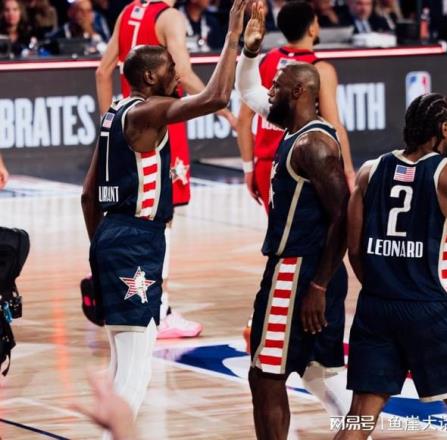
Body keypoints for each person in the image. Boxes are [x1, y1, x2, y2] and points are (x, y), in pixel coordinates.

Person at [81, 1, 246, 437]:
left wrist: (100, 251)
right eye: (171, 67)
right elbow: (216, 97)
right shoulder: (147, 112)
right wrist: (232, 37)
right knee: (136, 372)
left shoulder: (114, 113)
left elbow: (87, 195)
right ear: (151, 78)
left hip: (111, 237)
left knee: (122, 364)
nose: (178, 73)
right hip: (135, 241)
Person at [336, 93, 447, 439]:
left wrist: (386, 287)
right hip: (431, 310)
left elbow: (354, 248)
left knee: (361, 414)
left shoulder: (370, 171)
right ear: (444, 129)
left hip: (376, 307)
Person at [236, 3, 350, 438]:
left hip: (299, 272)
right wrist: (249, 51)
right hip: (300, 269)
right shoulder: (290, 127)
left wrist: (318, 286)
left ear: (300, 91)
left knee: (265, 375)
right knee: (319, 373)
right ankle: (359, 429)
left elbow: (341, 217)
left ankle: (359, 427)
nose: (271, 90)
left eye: (279, 85)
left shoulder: (314, 146)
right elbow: (248, 91)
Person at [95, 0, 237, 339]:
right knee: (161, 216)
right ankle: (159, 307)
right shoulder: (169, 16)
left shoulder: (128, 10)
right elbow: (183, 74)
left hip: (127, 118)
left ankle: (136, 297)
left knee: (130, 211)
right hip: (160, 120)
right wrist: (222, 110)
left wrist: (108, 125)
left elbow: (101, 72)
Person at [237, 0, 355, 212]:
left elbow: (243, 120)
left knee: (278, 228)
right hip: (306, 163)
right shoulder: (320, 69)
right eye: (316, 22)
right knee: (311, 228)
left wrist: (248, 168)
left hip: (266, 164)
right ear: (311, 28)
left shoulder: (265, 60)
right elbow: (334, 125)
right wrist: (348, 171)